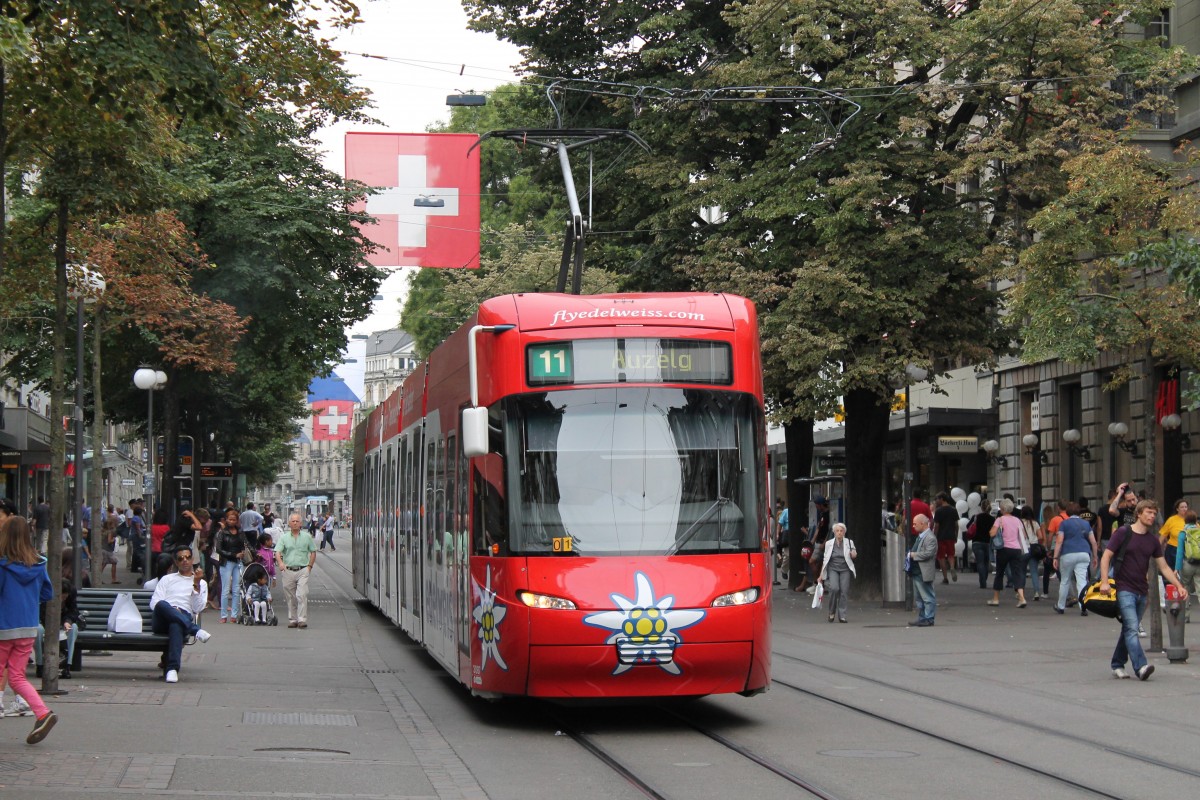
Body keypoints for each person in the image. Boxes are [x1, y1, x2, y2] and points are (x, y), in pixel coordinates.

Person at [1100, 500, 1189, 680]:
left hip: (1142, 591)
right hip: (1124, 588)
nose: (1152, 516)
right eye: (1148, 512)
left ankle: (1117, 664)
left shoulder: (1153, 541)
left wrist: (1179, 586)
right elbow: (1106, 556)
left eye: (1154, 514)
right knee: (1132, 629)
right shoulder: (1124, 533)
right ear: (1139, 514)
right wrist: (1104, 582)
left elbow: (1164, 567)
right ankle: (1141, 667)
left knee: (1128, 628)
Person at [0, 514, 58, 743]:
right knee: (16, 676)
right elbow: (47, 593)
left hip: (4, 626)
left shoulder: (3, 566)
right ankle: (43, 713)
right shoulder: (38, 563)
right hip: (28, 627)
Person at [149, 546, 211, 683]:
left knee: (176, 624)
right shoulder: (167, 579)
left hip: (181, 618)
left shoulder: (201, 583)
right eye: (180, 558)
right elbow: (154, 603)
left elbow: (197, 608)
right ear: (176, 562)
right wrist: (171, 610)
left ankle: (172, 670)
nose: (185, 561)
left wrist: (196, 585)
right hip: (162, 619)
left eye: (188, 557)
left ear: (192, 559)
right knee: (162, 604)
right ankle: (195, 630)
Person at [1053, 502, 1098, 616]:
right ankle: (1083, 607)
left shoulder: (1064, 523)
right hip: (1084, 553)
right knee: (1082, 581)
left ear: (1067, 511)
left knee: (1065, 580)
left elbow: (1059, 541)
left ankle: (1061, 606)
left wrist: (1055, 556)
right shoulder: (1086, 524)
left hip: (1067, 553)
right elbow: (1093, 541)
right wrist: (1095, 556)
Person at [276, 513, 317, 628]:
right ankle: (293, 619)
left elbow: (313, 551)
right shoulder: (284, 537)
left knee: (301, 594)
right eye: (292, 521)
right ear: (289, 523)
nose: (294, 523)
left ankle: (302, 619)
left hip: (303, 569)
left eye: (297, 521)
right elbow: (277, 552)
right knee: (290, 597)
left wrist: (309, 566)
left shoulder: (307, 537)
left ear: (300, 523)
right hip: (288, 570)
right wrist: (280, 563)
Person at [989, 498, 1028, 608]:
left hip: (1003, 549)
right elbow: (1024, 536)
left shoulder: (1000, 520)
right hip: (1016, 549)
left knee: (1000, 573)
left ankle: (996, 598)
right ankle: (1021, 597)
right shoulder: (1017, 520)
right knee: (1017, 573)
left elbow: (992, 533)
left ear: (1002, 509)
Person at [214, 508, 250, 623]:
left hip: (238, 562)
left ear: (237, 520)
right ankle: (223, 615)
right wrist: (234, 554)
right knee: (225, 589)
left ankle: (234, 615)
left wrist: (255, 553)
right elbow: (219, 549)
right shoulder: (222, 533)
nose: (232, 522)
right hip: (226, 562)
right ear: (226, 520)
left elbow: (247, 544)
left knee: (236, 589)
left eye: (234, 520)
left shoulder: (240, 532)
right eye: (230, 519)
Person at [817, 522, 857, 623]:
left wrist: (853, 554)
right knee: (834, 588)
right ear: (834, 532)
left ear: (844, 532)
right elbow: (825, 559)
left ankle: (842, 615)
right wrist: (821, 575)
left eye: (841, 531)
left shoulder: (849, 542)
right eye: (837, 531)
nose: (839, 533)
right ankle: (831, 612)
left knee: (844, 591)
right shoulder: (829, 543)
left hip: (845, 569)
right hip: (833, 568)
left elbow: (854, 554)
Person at [907, 514, 937, 627]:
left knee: (927, 596)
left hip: (923, 571)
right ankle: (922, 617)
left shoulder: (930, 537)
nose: (913, 526)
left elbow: (929, 553)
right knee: (919, 597)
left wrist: (914, 555)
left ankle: (929, 618)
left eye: (915, 524)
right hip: (917, 571)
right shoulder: (921, 536)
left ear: (922, 524)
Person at [1174, 511, 1200, 622]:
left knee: (1185, 589)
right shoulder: (1199, 531)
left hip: (1187, 565)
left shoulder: (1183, 533)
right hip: (1199, 564)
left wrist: (1176, 568)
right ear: (1196, 520)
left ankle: (1186, 615)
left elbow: (1179, 552)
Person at [932, 492, 959, 583]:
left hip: (941, 537)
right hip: (951, 536)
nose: (936, 501)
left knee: (941, 557)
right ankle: (952, 567)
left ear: (942, 499)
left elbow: (937, 525)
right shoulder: (953, 509)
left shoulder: (939, 511)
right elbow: (956, 524)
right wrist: (956, 535)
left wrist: (934, 536)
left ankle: (945, 578)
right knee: (951, 555)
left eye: (937, 499)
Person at [1018, 505, 1045, 600]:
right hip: (1034, 549)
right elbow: (1041, 537)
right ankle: (1036, 592)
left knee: (1022, 571)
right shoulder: (1035, 523)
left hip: (1024, 549)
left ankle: (1021, 593)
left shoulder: (1020, 523)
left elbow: (1021, 537)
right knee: (1034, 571)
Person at [969, 502, 996, 589]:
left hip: (976, 542)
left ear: (981, 507)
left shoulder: (976, 517)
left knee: (980, 562)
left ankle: (982, 581)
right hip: (987, 543)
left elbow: (968, 526)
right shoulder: (992, 519)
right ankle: (984, 578)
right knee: (986, 562)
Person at [1159, 498, 1189, 570]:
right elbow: (1162, 536)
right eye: (1182, 507)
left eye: (1186, 507)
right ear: (1177, 509)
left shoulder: (1190, 519)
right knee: (1173, 571)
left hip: (1187, 550)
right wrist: (1156, 549)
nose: (1184, 509)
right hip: (1173, 549)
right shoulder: (1171, 520)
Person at [773, 498, 789, 586]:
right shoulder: (786, 511)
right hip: (787, 533)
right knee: (787, 554)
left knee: (788, 553)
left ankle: (784, 568)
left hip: (794, 533)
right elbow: (780, 523)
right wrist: (778, 534)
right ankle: (784, 569)